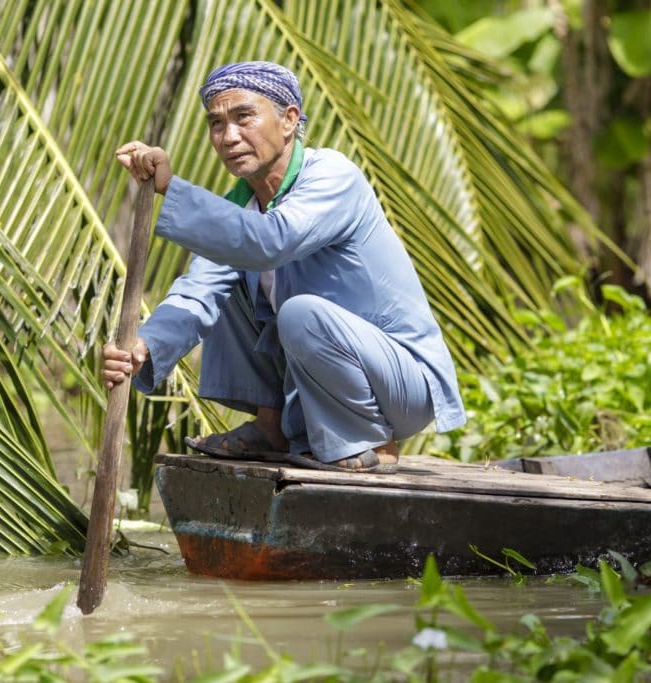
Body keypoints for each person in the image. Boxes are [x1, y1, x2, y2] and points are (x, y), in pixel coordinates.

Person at [102, 61, 465, 473]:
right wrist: (142, 347)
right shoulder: (240, 204)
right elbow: (197, 290)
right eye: (216, 124)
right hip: (318, 381)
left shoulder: (332, 175)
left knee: (298, 310)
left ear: (290, 119)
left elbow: (271, 242)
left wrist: (171, 187)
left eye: (244, 117)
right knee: (226, 279)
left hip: (400, 384)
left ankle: (372, 440)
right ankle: (271, 427)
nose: (229, 136)